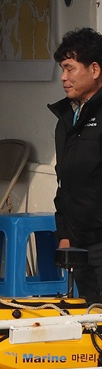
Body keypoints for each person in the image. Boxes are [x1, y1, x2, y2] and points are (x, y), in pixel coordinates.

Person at [50, 28, 102, 304]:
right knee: (92, 323)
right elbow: (65, 184)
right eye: (62, 69)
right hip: (80, 244)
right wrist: (65, 235)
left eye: (69, 68)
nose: (63, 77)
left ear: (94, 69)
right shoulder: (66, 119)